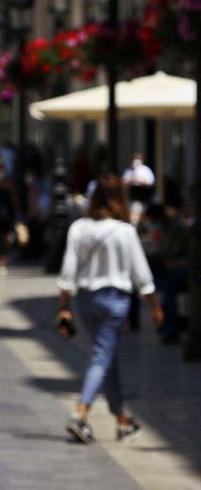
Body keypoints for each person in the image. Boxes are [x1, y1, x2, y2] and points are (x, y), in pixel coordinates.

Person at [56, 174, 163, 444]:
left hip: (86, 299)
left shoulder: (79, 228)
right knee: (103, 355)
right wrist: (154, 307)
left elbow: (67, 272)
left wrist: (64, 308)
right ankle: (80, 413)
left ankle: (122, 419)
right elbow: (142, 274)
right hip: (115, 300)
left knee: (105, 355)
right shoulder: (125, 231)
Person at [146, 204, 189, 345]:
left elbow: (181, 251)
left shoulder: (178, 228)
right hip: (169, 268)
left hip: (182, 269)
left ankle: (170, 329)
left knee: (169, 288)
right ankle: (167, 327)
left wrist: (175, 262)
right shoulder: (166, 229)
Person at [122, 153, 155, 225]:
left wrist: (139, 181)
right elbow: (124, 182)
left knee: (141, 213)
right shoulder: (129, 170)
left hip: (142, 195)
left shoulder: (146, 170)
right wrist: (131, 181)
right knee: (133, 212)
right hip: (132, 195)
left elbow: (150, 183)